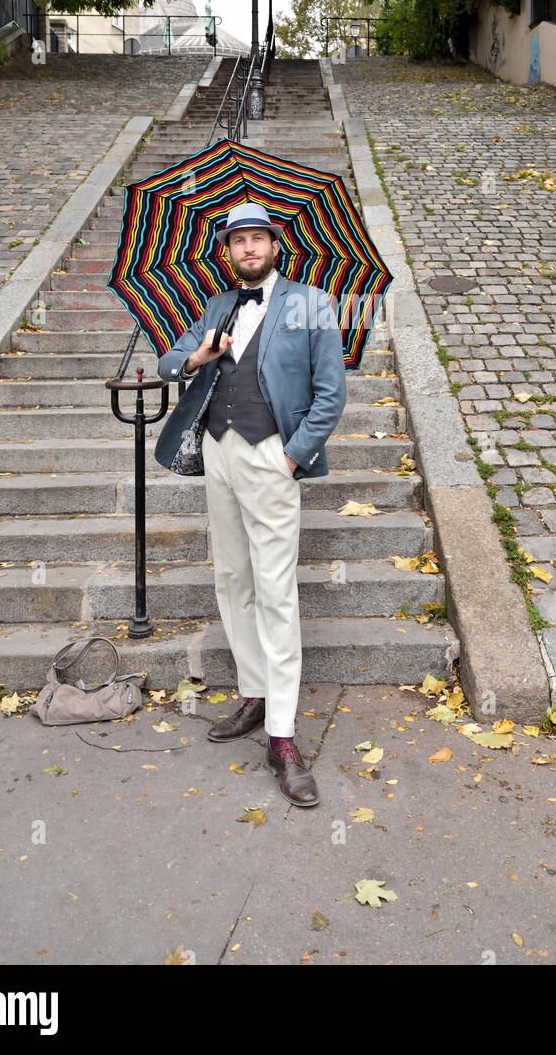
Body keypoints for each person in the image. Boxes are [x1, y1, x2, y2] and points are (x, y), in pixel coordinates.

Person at [154, 201, 347, 806]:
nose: (248, 249)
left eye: (258, 238)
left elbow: (330, 393)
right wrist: (199, 355)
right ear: (228, 251)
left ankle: (283, 736)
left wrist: (292, 456)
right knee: (232, 579)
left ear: (273, 244)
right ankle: (255, 692)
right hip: (219, 453)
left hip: (271, 457)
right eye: (238, 241)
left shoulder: (310, 303)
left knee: (275, 590)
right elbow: (167, 363)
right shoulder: (217, 306)